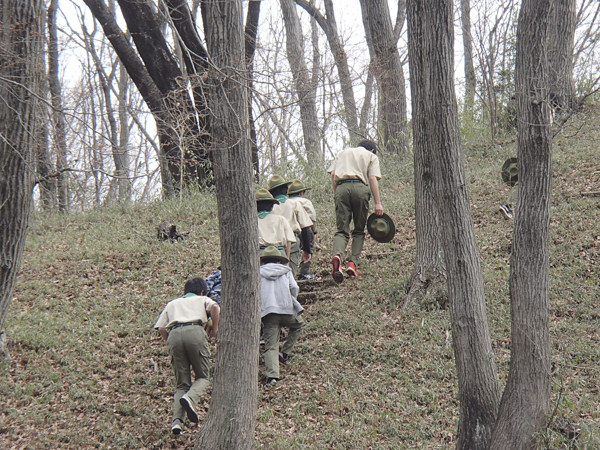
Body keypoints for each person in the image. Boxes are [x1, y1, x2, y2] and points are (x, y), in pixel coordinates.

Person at [154, 277, 220, 435]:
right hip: (195, 331)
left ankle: (177, 422)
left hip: (174, 335)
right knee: (203, 377)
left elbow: (161, 328)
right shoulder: (203, 299)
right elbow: (216, 307)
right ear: (202, 291)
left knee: (181, 384)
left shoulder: (172, 303)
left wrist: (170, 342)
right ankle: (190, 398)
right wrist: (215, 329)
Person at [327, 139, 383, 283]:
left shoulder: (342, 153)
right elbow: (372, 178)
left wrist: (336, 195)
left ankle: (337, 256)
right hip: (360, 188)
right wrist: (378, 203)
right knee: (358, 230)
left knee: (341, 230)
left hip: (341, 188)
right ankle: (352, 263)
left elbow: (333, 175)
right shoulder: (371, 156)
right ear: (372, 150)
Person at [259, 246, 305, 386]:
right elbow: (294, 287)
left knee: (271, 345)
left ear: (263, 261)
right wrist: (291, 300)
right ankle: (285, 353)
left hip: (269, 313)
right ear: (279, 261)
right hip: (286, 310)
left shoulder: (258, 272)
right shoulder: (286, 271)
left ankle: (272, 376)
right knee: (299, 325)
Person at [268, 175, 313, 277]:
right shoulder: (294, 204)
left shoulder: (270, 207)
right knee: (290, 273)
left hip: (274, 243)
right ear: (286, 190)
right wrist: (307, 250)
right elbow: (305, 227)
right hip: (292, 241)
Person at [287, 179, 317, 280]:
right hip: (305, 228)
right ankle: (304, 272)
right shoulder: (306, 202)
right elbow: (312, 219)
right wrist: (313, 232)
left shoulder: (287, 202)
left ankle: (290, 271)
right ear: (301, 193)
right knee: (309, 248)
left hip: (290, 230)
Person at [256, 188, 295, 259]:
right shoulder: (281, 219)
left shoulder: (253, 222)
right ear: (272, 207)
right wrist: (287, 259)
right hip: (279, 253)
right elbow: (289, 240)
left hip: (260, 254)